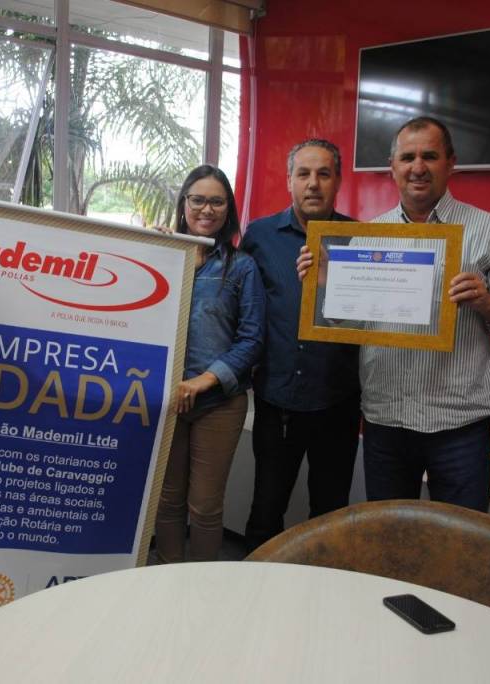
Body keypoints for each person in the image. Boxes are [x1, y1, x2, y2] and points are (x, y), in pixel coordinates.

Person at [298, 116, 490, 512]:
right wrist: (328, 286)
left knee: (459, 538)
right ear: (392, 167)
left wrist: (488, 302)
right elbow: (350, 324)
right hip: (386, 419)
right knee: (391, 535)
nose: (418, 167)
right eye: (407, 157)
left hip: (459, 423)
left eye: (430, 156)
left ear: (450, 163)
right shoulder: (370, 235)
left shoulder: (488, 230)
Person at [240, 139, 361, 552]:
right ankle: (255, 589)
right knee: (265, 511)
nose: (313, 184)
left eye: (324, 174)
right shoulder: (259, 235)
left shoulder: (360, 240)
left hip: (338, 401)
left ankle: (320, 590)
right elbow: (234, 294)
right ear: (289, 180)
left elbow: (371, 320)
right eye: (304, 174)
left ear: (338, 181)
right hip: (277, 400)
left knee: (329, 516)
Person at [154, 165, 265, 562]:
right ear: (183, 203)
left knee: (204, 506)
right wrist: (151, 249)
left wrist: (204, 380)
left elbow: (252, 339)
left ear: (228, 209)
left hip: (218, 401)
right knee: (166, 501)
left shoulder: (241, 267)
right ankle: (166, 575)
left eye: (217, 201)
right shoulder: (162, 256)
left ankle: (202, 586)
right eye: (198, 200)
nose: (206, 209)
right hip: (166, 400)